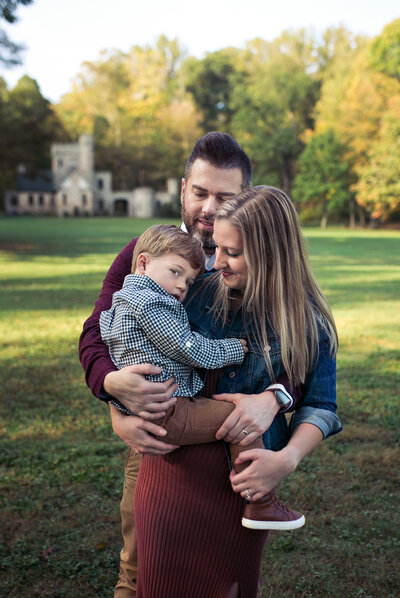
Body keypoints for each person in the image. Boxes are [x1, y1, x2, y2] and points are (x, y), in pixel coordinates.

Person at [79, 132, 301, 597]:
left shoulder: (258, 263)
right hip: (158, 444)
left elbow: (298, 353)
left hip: (234, 446)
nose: (208, 206)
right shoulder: (149, 252)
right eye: (200, 192)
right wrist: (114, 393)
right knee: (140, 575)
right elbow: (99, 329)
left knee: (226, 579)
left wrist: (273, 397)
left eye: (225, 196)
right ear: (183, 190)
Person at [133, 186, 341, 597]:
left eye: (231, 252)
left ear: (270, 257)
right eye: (217, 248)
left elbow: (321, 405)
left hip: (244, 491)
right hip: (172, 477)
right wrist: (116, 400)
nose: (216, 261)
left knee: (229, 589)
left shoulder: (310, 324)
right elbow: (122, 333)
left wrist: (286, 459)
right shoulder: (192, 293)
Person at [100, 223, 304, 530]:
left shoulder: (122, 301)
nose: (183, 286)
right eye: (176, 272)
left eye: (190, 280)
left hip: (150, 410)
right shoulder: (151, 303)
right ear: (143, 262)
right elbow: (192, 349)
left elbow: (106, 336)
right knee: (241, 418)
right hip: (170, 410)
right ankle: (259, 502)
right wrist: (234, 349)